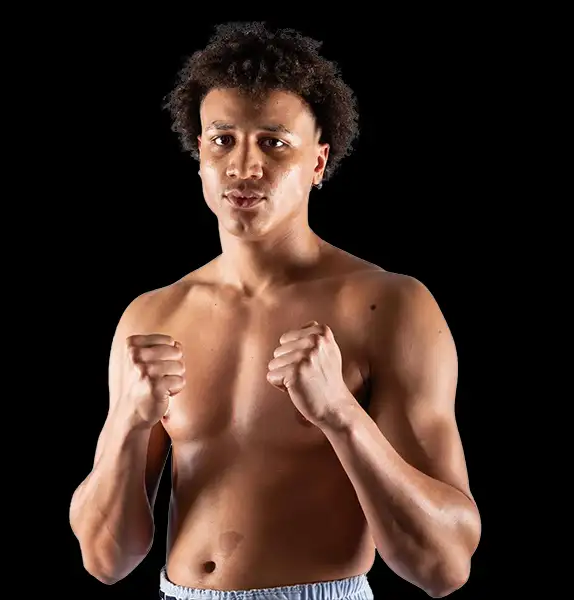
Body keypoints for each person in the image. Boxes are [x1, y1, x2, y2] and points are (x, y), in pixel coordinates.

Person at [69, 21, 481, 600]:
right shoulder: (153, 315)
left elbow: (443, 567)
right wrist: (126, 425)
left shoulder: (389, 307)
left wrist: (341, 415)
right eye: (222, 140)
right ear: (199, 155)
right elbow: (105, 560)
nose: (243, 166)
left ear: (318, 162)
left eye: (273, 142)